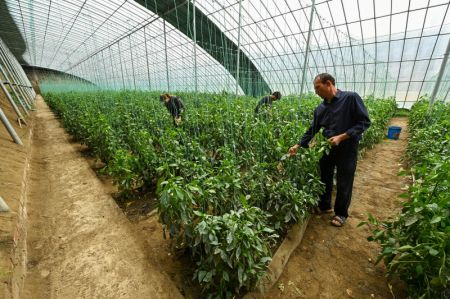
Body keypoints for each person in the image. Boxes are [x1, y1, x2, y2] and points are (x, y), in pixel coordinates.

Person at [288, 73, 371, 227]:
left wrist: (342, 136)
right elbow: (312, 129)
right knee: (325, 177)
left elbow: (364, 122)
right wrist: (298, 145)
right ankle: (325, 206)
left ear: (328, 84)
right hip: (327, 148)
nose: (316, 92)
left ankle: (340, 214)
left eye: (317, 88)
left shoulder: (350, 98)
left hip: (347, 148)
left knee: (344, 181)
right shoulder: (320, 108)